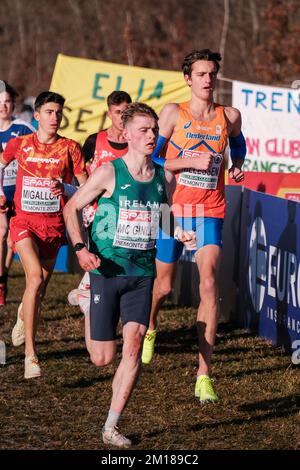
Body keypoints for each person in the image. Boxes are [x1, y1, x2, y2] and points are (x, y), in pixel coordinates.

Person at [63, 102, 195, 448]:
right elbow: (72, 207)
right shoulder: (109, 173)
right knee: (102, 358)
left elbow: (164, 213)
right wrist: (80, 249)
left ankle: (111, 426)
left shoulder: (164, 177)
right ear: (126, 135)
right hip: (106, 270)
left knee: (134, 344)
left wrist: (178, 232)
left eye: (154, 130)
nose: (151, 136)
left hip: (142, 272)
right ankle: (87, 302)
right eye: (144, 130)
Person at [141, 49, 246, 404]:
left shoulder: (228, 116)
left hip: (211, 210)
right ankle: (151, 326)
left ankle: (204, 374)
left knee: (210, 283)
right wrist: (187, 159)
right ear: (188, 78)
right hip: (171, 210)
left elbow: (238, 143)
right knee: (164, 287)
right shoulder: (173, 113)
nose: (208, 79)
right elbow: (153, 157)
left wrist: (236, 166)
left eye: (212, 73)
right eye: (201, 74)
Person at [0, 91, 87, 379]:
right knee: (34, 278)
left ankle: (24, 313)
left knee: (39, 289)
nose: (55, 117)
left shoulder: (70, 148)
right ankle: (31, 357)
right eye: (49, 112)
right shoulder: (20, 144)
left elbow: (86, 188)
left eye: (59, 113)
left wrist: (67, 190)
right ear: (36, 115)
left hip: (54, 226)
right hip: (24, 222)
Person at [67, 90, 132, 315]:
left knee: (119, 256)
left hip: (127, 210)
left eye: (126, 112)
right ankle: (92, 291)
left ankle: (89, 288)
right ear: (109, 113)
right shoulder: (95, 141)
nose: (122, 117)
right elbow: (81, 173)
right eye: (117, 112)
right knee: (105, 252)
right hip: (97, 210)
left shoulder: (136, 141)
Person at [0, 81, 35, 305]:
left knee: (12, 240)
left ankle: (2, 276)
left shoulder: (22, 127)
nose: (3, 106)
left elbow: (40, 145)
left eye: (7, 102)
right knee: (2, 231)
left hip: (20, 195)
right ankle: (0, 280)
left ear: (13, 105)